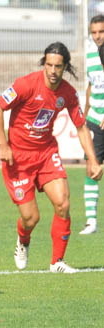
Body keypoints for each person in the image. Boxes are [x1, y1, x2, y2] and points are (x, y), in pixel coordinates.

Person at [0, 42, 103, 273]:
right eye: (49, 65)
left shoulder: (68, 94)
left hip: (46, 154)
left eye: (58, 66)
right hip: (18, 159)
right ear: (44, 64)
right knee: (31, 218)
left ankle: (57, 262)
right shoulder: (26, 84)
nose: (53, 71)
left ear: (65, 67)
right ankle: (23, 240)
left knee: (63, 202)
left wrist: (92, 159)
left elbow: (81, 128)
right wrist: (3, 145)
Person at [80, 14, 104, 234]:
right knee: (92, 169)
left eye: (101, 32)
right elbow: (91, 85)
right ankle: (91, 222)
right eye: (94, 32)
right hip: (95, 120)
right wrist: (85, 114)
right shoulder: (90, 55)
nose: (97, 36)